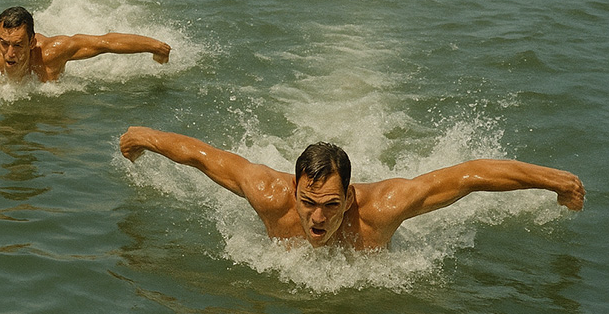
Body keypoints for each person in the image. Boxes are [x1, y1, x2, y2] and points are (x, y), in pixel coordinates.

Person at [119, 127, 585, 250]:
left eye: (330, 206)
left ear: (350, 197)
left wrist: (555, 182)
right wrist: (144, 137)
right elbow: (203, 156)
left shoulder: (383, 207)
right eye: (308, 202)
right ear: (294, 189)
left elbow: (470, 176)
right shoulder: (268, 193)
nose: (316, 218)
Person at [0, 6, 171, 83]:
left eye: (19, 45)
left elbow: (105, 42)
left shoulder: (53, 53)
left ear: (32, 42)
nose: (10, 54)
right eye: (5, 43)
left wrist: (156, 47)